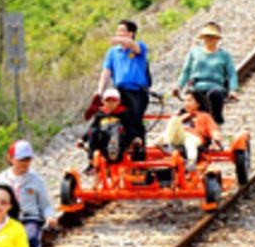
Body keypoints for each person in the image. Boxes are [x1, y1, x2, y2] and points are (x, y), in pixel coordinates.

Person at [0, 139, 55, 247]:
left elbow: (45, 204)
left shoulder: (35, 180)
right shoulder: (1, 179)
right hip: (6, 219)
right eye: (21, 159)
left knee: (29, 239)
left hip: (29, 219)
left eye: (27, 159)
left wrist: (50, 216)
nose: (24, 163)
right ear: (11, 159)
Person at [94, 18, 152, 149]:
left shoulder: (139, 46)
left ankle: (138, 150)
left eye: (122, 30)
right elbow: (106, 72)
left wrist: (120, 40)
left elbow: (133, 46)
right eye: (118, 30)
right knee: (112, 117)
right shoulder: (113, 52)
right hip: (119, 90)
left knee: (135, 119)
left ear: (131, 34)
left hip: (137, 91)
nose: (118, 33)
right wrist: (100, 91)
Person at [174, 22, 238, 123]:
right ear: (203, 38)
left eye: (212, 37)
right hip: (196, 87)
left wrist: (233, 90)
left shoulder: (224, 55)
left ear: (217, 39)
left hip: (216, 87)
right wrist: (179, 86)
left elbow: (232, 74)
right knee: (190, 104)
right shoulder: (194, 52)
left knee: (215, 96)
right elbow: (186, 71)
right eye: (207, 36)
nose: (209, 39)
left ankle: (215, 123)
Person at [162, 93, 223, 166]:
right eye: (185, 101)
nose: (186, 103)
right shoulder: (180, 116)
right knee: (173, 120)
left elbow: (213, 129)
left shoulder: (204, 116)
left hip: (195, 137)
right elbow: (171, 130)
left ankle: (191, 161)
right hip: (180, 136)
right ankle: (165, 144)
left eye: (189, 100)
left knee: (189, 142)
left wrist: (216, 140)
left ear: (198, 103)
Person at [84, 89, 129, 165]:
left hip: (119, 142)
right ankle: (91, 159)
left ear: (119, 102)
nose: (111, 104)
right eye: (108, 101)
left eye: (113, 101)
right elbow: (92, 127)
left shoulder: (123, 113)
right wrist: (83, 139)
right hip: (103, 139)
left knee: (117, 127)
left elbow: (131, 127)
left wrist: (136, 138)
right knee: (94, 130)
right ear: (103, 102)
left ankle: (113, 148)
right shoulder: (100, 115)